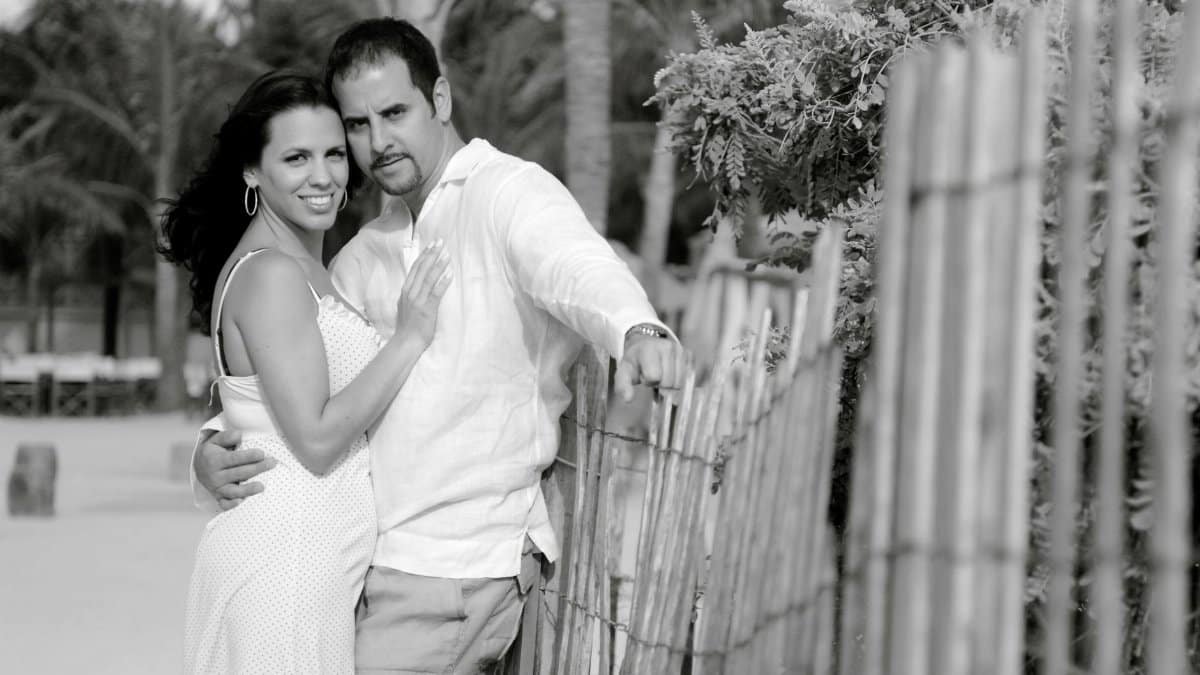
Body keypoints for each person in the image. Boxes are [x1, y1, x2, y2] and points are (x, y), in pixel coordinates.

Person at [193, 19, 684, 673]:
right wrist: (214, 440)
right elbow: (293, 374)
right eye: (358, 125)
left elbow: (575, 265)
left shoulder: (506, 193)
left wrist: (637, 327)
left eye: (395, 112)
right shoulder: (363, 253)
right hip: (365, 566)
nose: (378, 142)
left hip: (454, 566)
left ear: (441, 100)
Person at [159, 70, 451, 673]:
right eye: (296, 157)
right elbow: (316, 440)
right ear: (252, 171)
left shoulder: (308, 267)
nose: (322, 177)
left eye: (335, 154)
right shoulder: (272, 274)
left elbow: (259, 404)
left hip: (307, 557)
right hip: (287, 560)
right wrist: (411, 335)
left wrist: (208, 444)